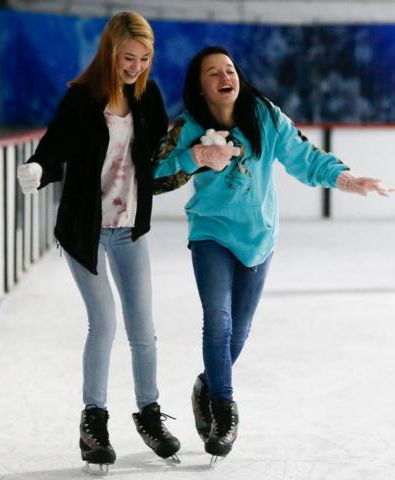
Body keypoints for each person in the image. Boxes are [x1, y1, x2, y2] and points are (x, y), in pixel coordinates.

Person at [151, 45, 393, 462]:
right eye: (213, 73)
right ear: (201, 88)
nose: (225, 76)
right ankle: (225, 413)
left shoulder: (263, 114)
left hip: (258, 240)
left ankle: (207, 385)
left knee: (238, 334)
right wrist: (197, 156)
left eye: (230, 68)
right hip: (211, 236)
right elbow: (154, 174)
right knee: (219, 321)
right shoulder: (188, 127)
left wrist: (347, 179)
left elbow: (303, 157)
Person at [17, 11, 180, 474]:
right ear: (111, 51)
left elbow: (160, 161)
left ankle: (149, 415)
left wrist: (198, 156)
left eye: (145, 58)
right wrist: (39, 170)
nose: (136, 67)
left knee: (143, 330)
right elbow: (54, 148)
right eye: (129, 57)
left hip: (130, 229)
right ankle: (94, 423)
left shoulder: (149, 100)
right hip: (84, 231)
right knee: (104, 322)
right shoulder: (82, 100)